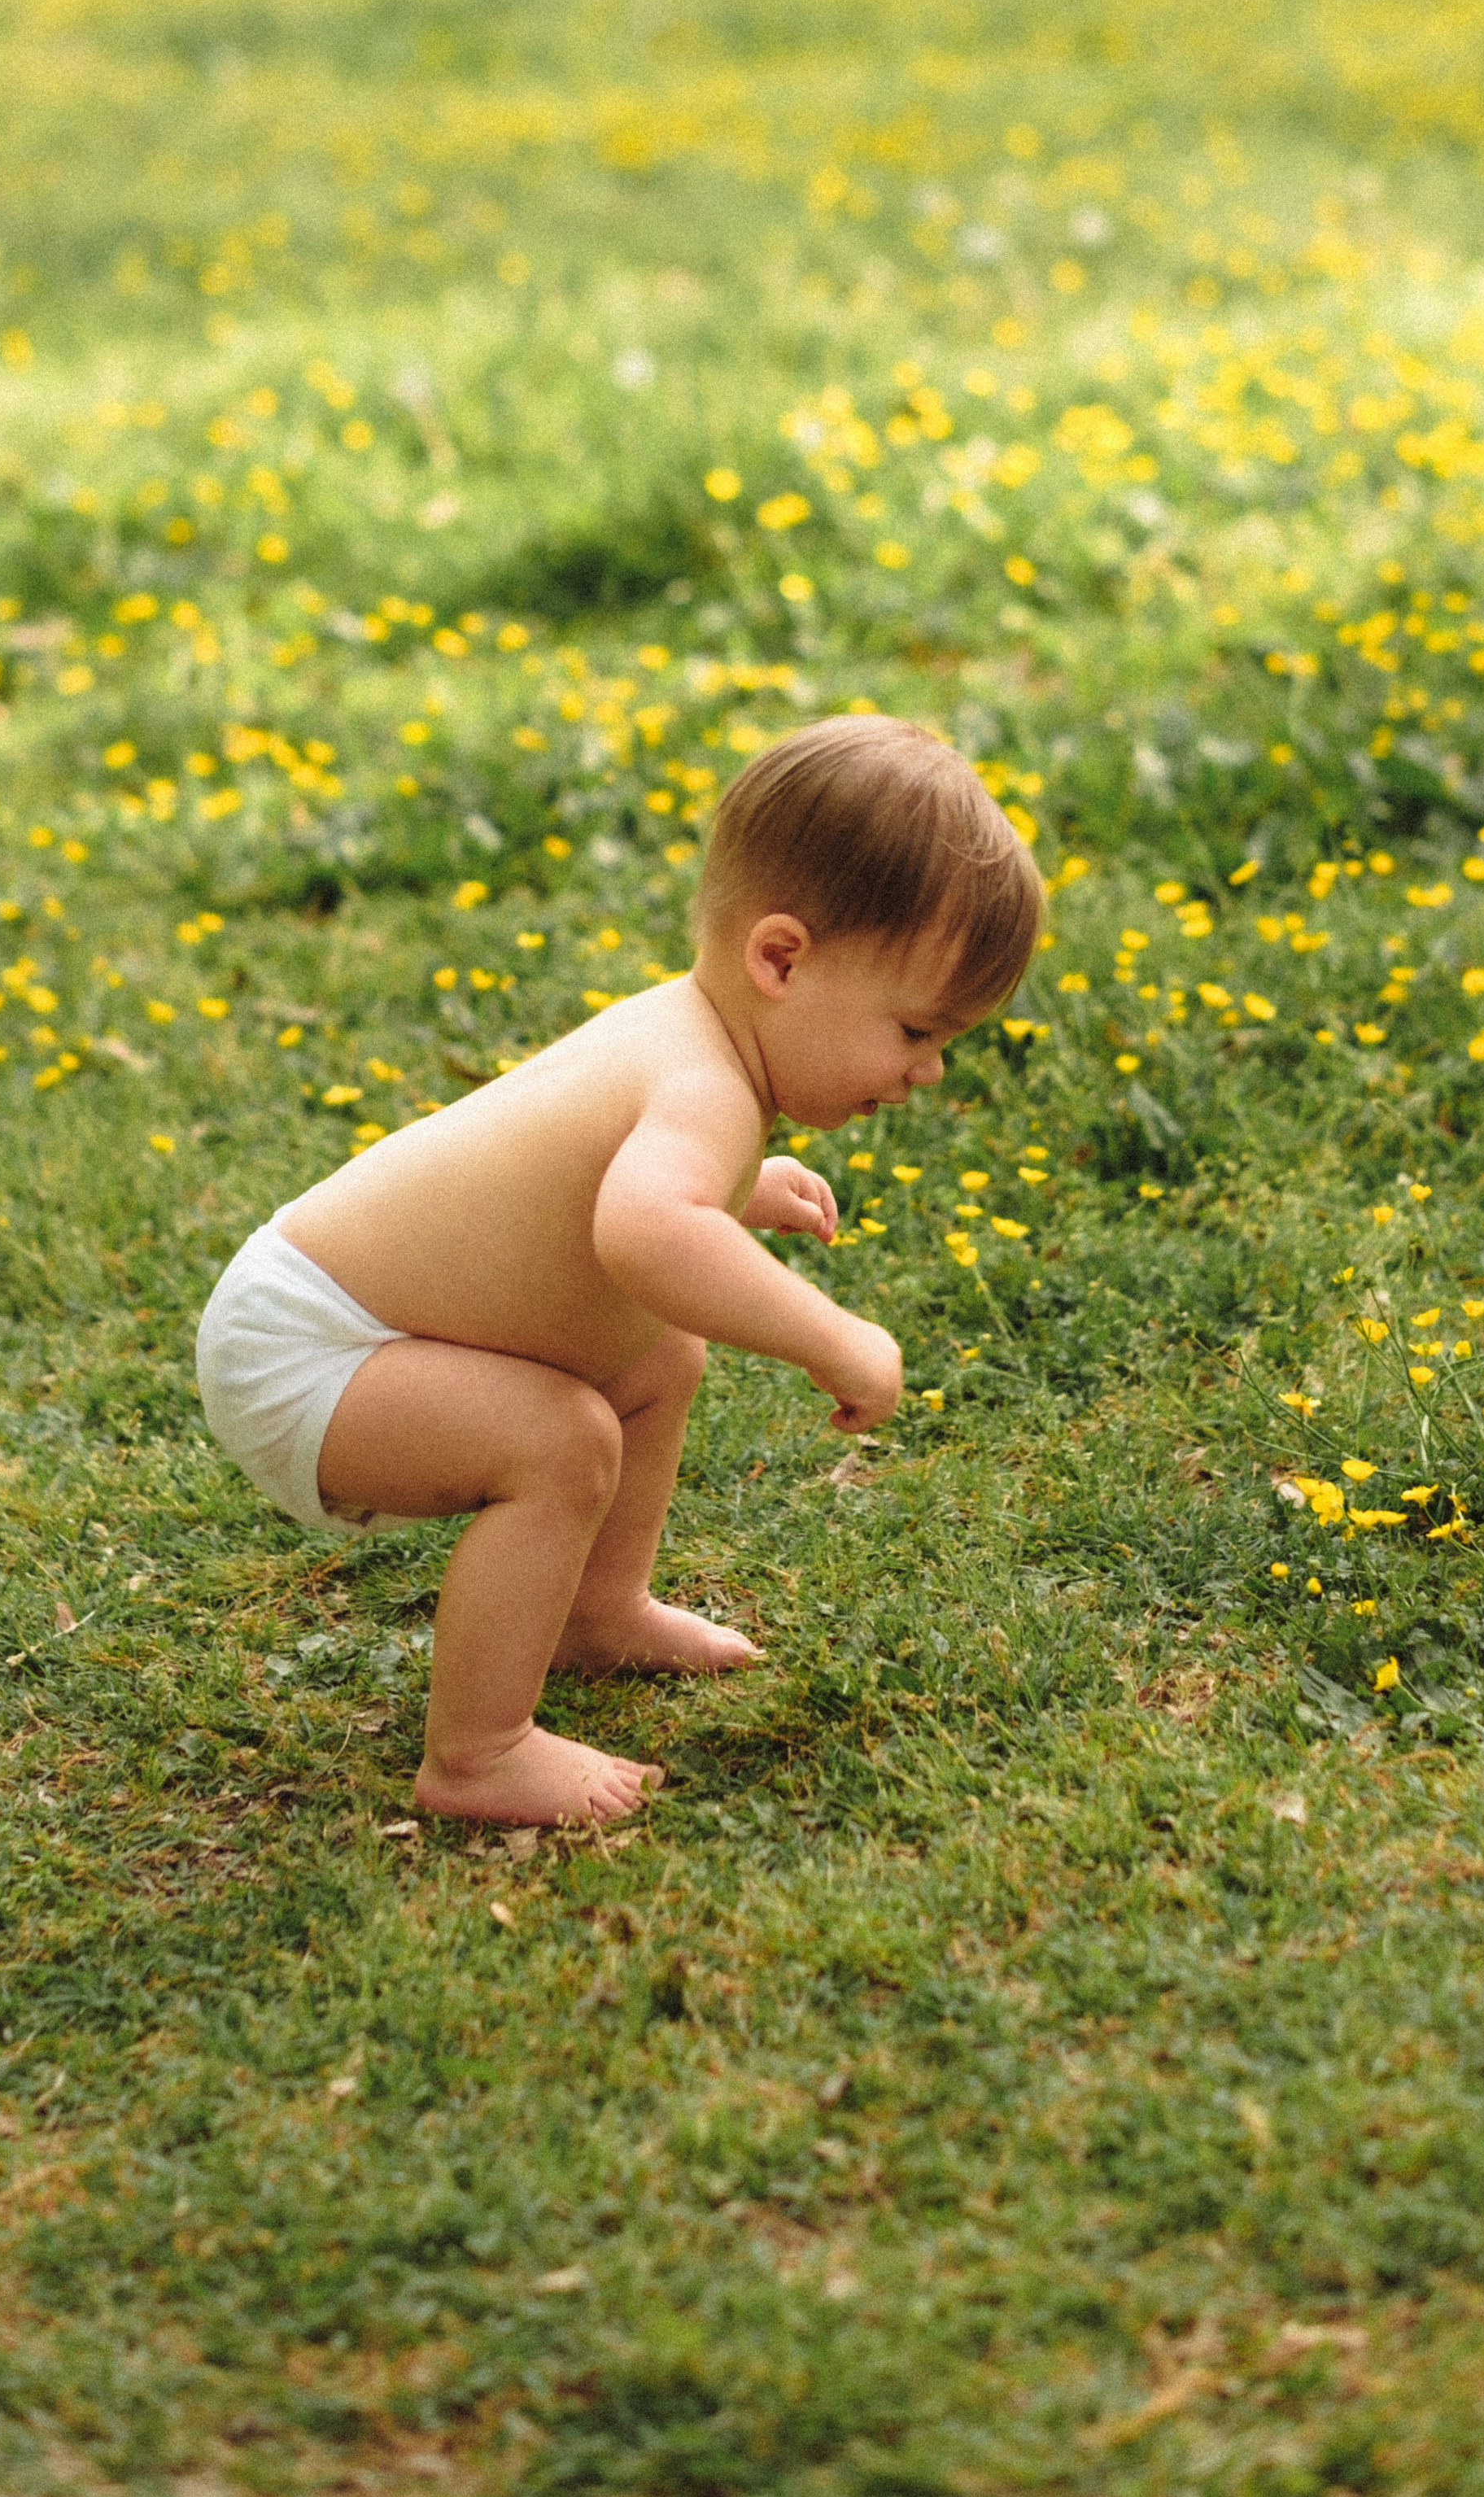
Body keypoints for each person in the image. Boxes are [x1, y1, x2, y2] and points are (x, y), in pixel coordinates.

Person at [196, 715, 1044, 1827]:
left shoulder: (697, 1049)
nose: (928, 1072)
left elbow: (595, 1191)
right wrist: (831, 1337)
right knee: (561, 1442)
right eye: (917, 1030)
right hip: (309, 1352)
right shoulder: (699, 1082)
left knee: (660, 1355)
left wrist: (732, 1188)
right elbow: (643, 1235)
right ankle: (477, 1753)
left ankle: (600, 1613)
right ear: (780, 960)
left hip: (327, 1324)